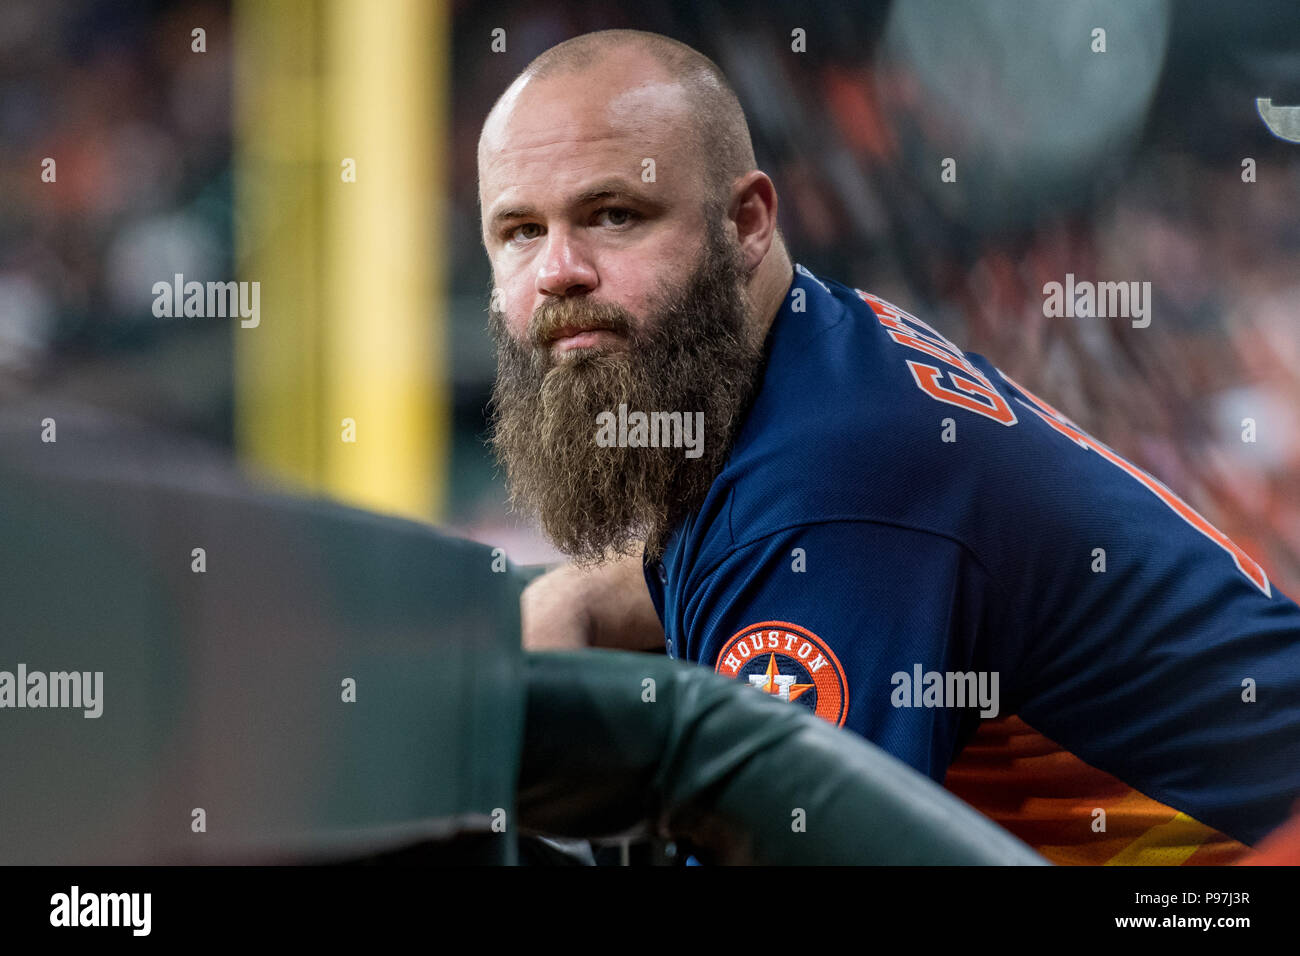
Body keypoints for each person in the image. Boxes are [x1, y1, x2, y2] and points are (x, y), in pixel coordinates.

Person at [477, 29, 1300, 863]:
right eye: (518, 231)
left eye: (614, 215)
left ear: (747, 224)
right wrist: (582, 597)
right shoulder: (807, 356)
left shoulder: (832, 491)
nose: (559, 270)